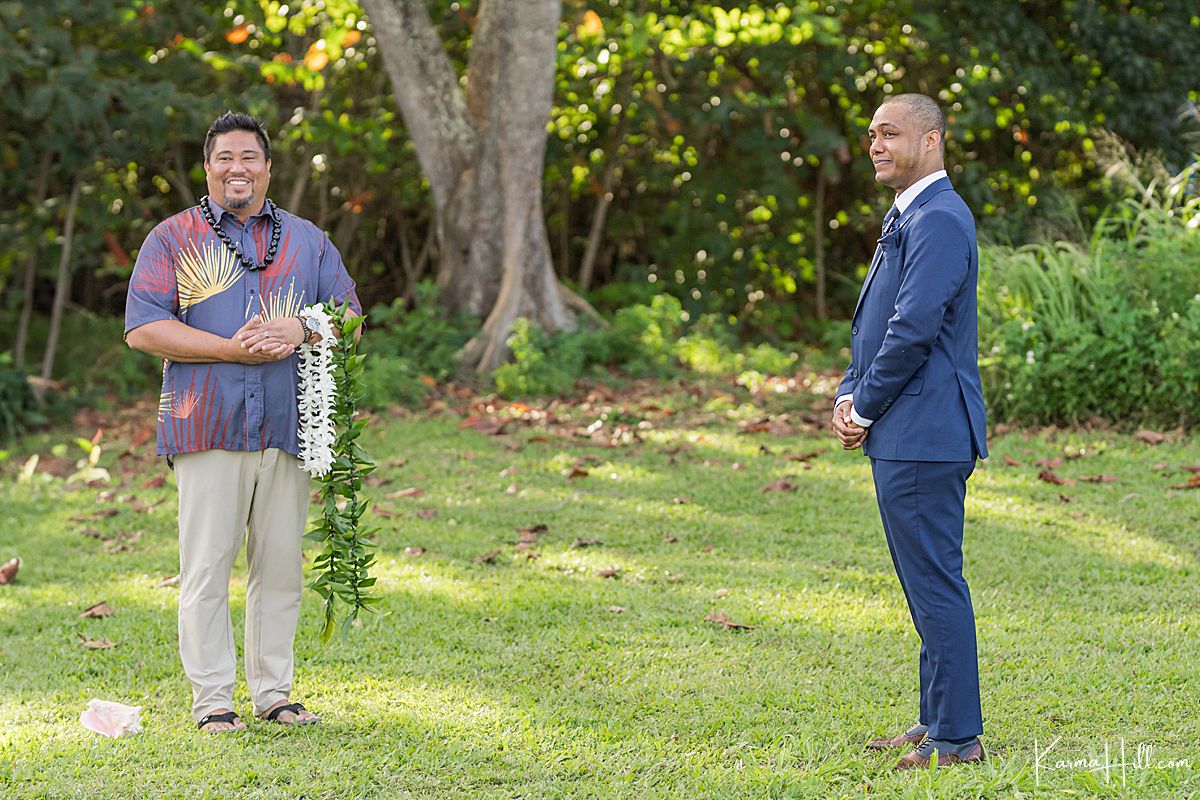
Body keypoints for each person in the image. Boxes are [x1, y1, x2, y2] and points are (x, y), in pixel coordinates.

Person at [124, 112, 360, 733]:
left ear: (268, 167)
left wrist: (300, 327)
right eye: (225, 158)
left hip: (288, 423)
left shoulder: (308, 241)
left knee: (280, 566)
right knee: (206, 567)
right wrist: (230, 348)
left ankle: (275, 694)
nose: (238, 168)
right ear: (208, 168)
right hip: (208, 425)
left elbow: (352, 315)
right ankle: (213, 703)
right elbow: (143, 327)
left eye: (249, 157)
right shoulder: (172, 239)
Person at [831, 93, 988, 769]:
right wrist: (848, 391)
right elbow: (879, 327)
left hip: (925, 431)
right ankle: (935, 721)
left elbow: (915, 330)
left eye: (890, 133)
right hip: (906, 429)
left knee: (935, 585)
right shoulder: (911, 215)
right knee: (924, 583)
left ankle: (959, 740)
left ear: (931, 141)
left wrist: (863, 408)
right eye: (871, 134)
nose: (875, 144)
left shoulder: (941, 218)